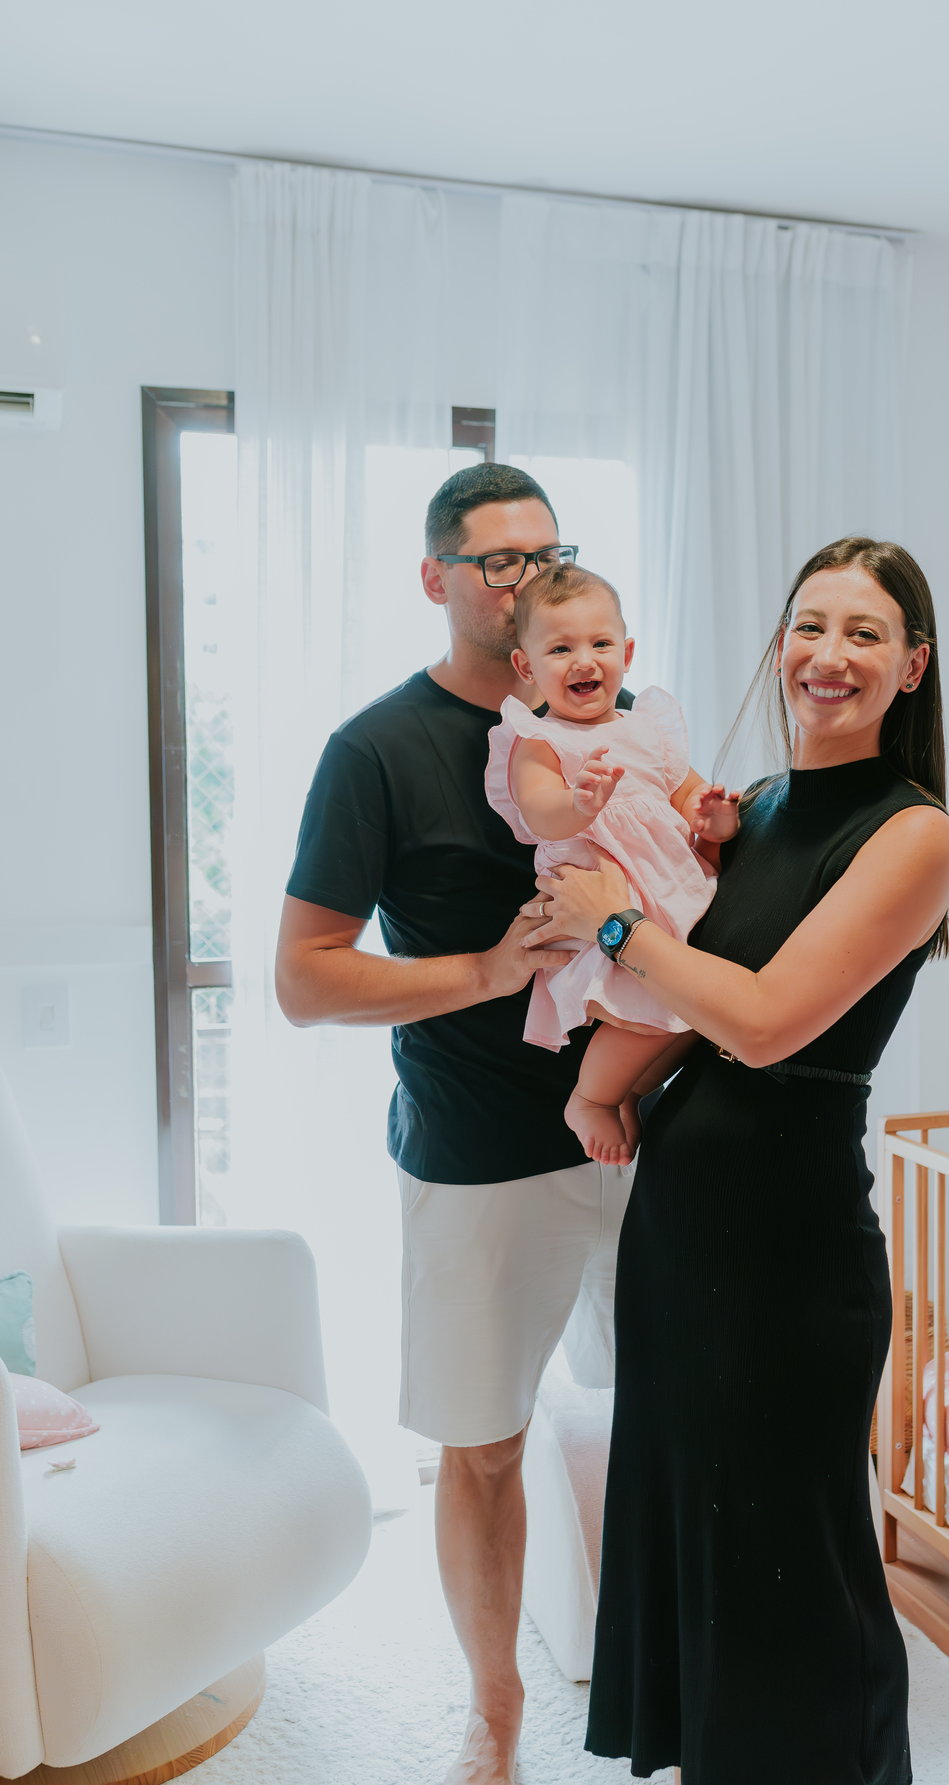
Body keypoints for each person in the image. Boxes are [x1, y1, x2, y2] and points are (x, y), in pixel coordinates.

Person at [525, 536, 949, 1784]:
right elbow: (689, 1010)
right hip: (682, 1229)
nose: (831, 656)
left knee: (793, 1563)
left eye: (866, 634)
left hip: (790, 1253)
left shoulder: (912, 837)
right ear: (782, 646)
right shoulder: (752, 807)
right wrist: (604, 1084)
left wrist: (607, 919)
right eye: (811, 626)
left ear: (912, 667)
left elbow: (767, 1022)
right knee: (702, 1540)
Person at [274, 463, 638, 1785]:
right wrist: (489, 970)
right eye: (497, 560)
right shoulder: (376, 752)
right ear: (437, 580)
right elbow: (305, 978)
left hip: (646, 1135)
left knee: (677, 1409)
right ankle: (494, 1717)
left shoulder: (618, 719)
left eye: (551, 552)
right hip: (479, 1156)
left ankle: (683, 1678)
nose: (529, 578)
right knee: (482, 1449)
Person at [485, 561, 740, 1164]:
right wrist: (577, 804)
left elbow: (687, 798)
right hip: (601, 898)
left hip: (669, 889)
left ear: (626, 652)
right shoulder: (538, 739)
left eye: (601, 643)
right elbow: (539, 812)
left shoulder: (648, 730)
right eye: (561, 647)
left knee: (688, 1009)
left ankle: (624, 1090)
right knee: (641, 1015)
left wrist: (715, 821)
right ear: (528, 667)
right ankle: (592, 1098)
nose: (585, 660)